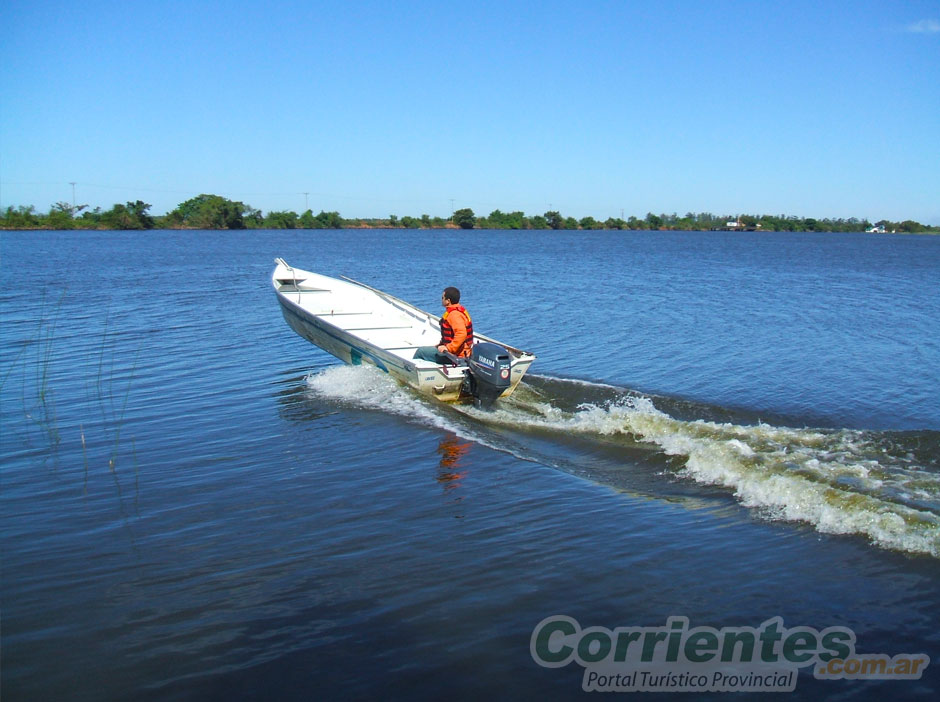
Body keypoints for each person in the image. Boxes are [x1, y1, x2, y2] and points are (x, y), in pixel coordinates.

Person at [414, 286, 474, 363]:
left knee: (420, 352)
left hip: (455, 356)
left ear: (448, 301)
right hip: (459, 353)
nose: (441, 299)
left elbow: (461, 334)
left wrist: (448, 348)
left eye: (443, 297)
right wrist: (440, 345)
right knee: (430, 350)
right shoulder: (458, 311)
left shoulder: (454, 315)